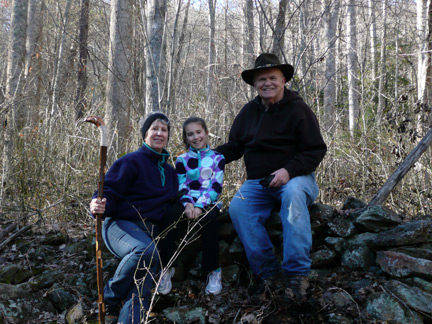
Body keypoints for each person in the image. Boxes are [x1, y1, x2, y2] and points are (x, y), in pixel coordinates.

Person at [215, 53, 327, 302]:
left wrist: (288, 171)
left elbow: (315, 150)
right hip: (258, 182)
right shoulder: (248, 112)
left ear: (283, 79)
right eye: (261, 79)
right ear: (255, 84)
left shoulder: (298, 109)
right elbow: (235, 146)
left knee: (293, 194)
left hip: (297, 178)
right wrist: (207, 158)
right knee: (239, 208)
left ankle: (297, 276)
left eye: (272, 78)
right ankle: (270, 275)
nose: (267, 83)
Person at [89, 112, 183, 324]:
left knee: (142, 286)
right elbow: (108, 190)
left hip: (148, 231)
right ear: (145, 135)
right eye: (154, 129)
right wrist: (98, 203)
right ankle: (111, 298)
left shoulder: (170, 173)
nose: (159, 133)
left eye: (164, 130)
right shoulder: (130, 161)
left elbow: (176, 201)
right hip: (119, 225)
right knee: (145, 252)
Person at [173, 116, 225, 295]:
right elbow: (181, 185)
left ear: (206, 133)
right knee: (168, 215)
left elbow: (215, 187)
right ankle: (167, 267)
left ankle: (213, 270)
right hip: (186, 201)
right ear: (185, 138)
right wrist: (188, 204)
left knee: (210, 219)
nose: (195, 137)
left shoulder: (218, 158)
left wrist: (200, 206)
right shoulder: (181, 160)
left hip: (208, 201)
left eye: (198, 132)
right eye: (190, 134)